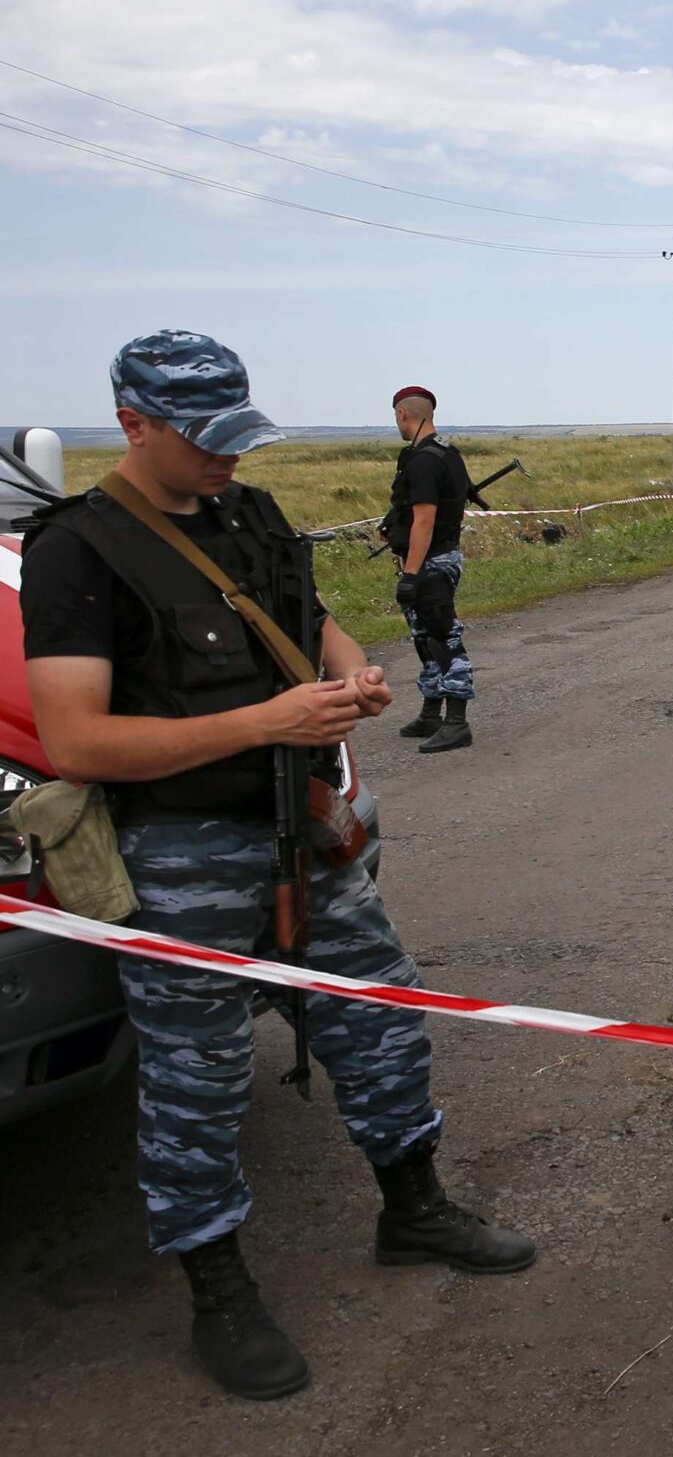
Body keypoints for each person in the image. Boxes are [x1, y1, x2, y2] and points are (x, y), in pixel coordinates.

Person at [19, 331, 533, 1401]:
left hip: (301, 828)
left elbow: (309, 615)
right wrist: (272, 716)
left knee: (380, 1016)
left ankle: (414, 1207)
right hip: (177, 850)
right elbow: (74, 741)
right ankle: (218, 1286)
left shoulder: (244, 513)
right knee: (196, 1077)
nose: (227, 461)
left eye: (238, 438)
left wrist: (353, 673)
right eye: (205, 441)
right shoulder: (81, 548)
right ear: (132, 424)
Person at [381, 386, 476, 752]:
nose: (397, 423)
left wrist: (410, 574)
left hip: (430, 562)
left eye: (396, 417)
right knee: (425, 638)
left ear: (404, 413)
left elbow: (425, 521)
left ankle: (457, 722)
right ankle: (431, 713)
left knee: (443, 638)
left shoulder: (423, 460)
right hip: (437, 556)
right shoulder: (446, 454)